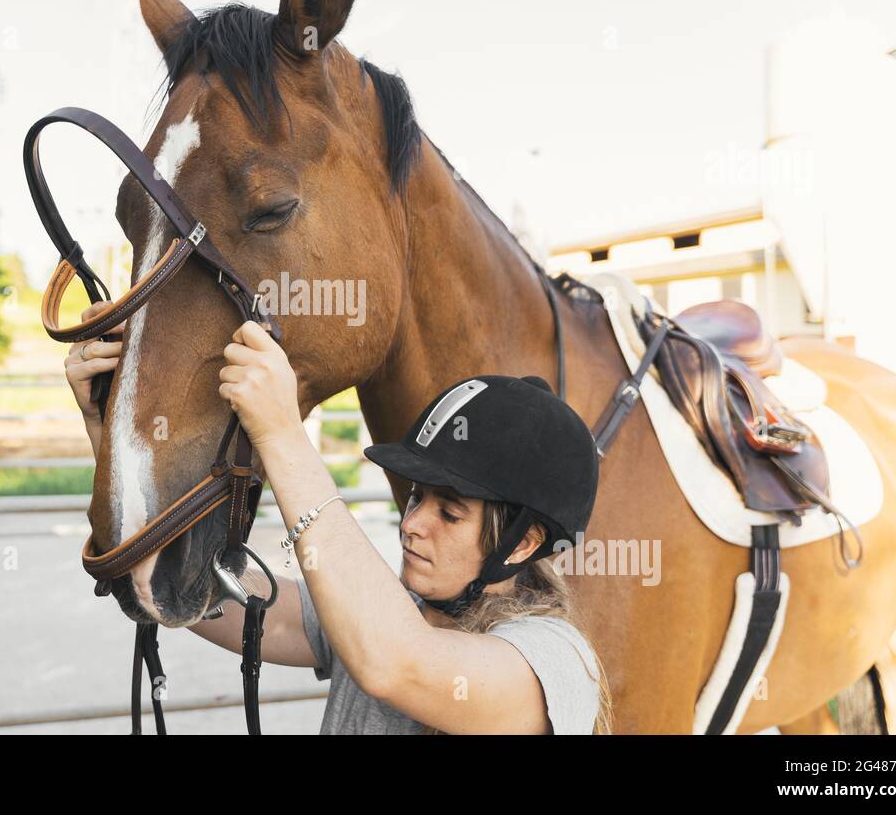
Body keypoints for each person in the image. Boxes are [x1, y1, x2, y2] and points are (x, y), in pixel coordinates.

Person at [66, 312, 611, 734]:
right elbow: (203, 593)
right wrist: (111, 429)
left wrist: (282, 435)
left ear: (524, 543)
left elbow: (397, 663)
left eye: (450, 512)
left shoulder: (553, 661)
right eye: (416, 497)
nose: (413, 524)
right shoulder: (387, 612)